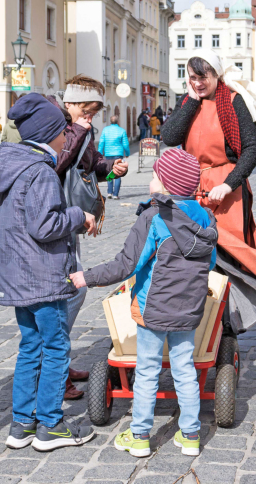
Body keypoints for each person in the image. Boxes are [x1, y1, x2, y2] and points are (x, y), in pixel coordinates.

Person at [70, 149, 218, 458]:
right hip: (189, 308)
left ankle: (139, 436)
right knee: (185, 368)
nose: (151, 180)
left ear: (164, 184)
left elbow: (127, 264)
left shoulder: (153, 217)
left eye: (154, 176)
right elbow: (211, 260)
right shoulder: (204, 216)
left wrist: (88, 277)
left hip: (153, 308)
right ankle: (191, 435)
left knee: (148, 370)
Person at [0, 93, 98, 451]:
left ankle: (21, 425)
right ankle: (51, 424)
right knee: (55, 347)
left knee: (30, 347)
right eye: (63, 131)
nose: (67, 138)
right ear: (49, 133)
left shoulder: (14, 164)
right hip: (43, 276)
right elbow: (45, 225)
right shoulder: (41, 171)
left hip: (18, 274)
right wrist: (80, 216)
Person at [162, 49, 256, 335]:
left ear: (217, 75)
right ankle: (198, 321)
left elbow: (250, 149)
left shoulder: (234, 102)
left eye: (204, 77)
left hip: (228, 190)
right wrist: (191, 102)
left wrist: (228, 184)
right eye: (193, 77)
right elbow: (170, 137)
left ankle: (229, 323)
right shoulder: (188, 101)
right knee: (194, 255)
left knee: (228, 256)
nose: (198, 82)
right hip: (193, 188)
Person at [49, 75, 129, 399]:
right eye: (86, 111)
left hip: (73, 216)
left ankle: (60, 364)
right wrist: (79, 128)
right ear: (70, 104)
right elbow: (58, 163)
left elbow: (90, 163)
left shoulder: (82, 127)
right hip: (55, 215)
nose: (90, 118)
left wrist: (111, 168)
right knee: (70, 292)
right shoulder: (59, 123)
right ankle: (54, 369)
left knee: (72, 290)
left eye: (94, 113)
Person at [99, 114, 131, 199]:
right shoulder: (122, 130)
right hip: (118, 154)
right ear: (118, 121)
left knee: (109, 172)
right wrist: (127, 153)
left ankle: (109, 192)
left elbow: (101, 142)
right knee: (118, 172)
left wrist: (99, 154)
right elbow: (125, 144)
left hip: (108, 153)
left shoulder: (105, 130)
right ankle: (115, 194)